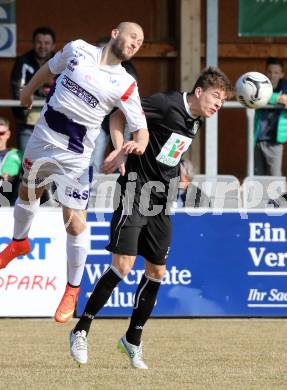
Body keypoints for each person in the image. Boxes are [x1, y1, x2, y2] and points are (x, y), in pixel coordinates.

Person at [69, 67, 233, 369]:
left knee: (157, 272)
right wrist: (119, 149)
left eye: (222, 101)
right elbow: (118, 113)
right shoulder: (165, 103)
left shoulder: (196, 120)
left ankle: (132, 340)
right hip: (134, 192)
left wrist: (177, 169)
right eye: (216, 98)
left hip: (162, 200)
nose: (218, 105)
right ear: (199, 92)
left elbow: (168, 148)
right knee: (122, 266)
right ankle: (81, 329)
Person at [0, 22, 148, 325]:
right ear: (115, 33)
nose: (136, 43)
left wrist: (129, 147)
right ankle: (19, 242)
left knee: (74, 223)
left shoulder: (125, 84)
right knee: (27, 192)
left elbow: (141, 131)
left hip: (75, 157)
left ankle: (72, 290)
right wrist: (27, 90)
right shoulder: (78, 49)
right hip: (43, 137)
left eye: (141, 41)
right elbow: (49, 68)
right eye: (133, 36)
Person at [11, 27, 56, 152]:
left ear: (53, 45)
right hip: (27, 123)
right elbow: (18, 90)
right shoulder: (23, 61)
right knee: (27, 166)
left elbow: (63, 92)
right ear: (33, 43)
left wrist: (33, 91)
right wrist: (43, 90)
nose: (43, 46)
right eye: (39, 42)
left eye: (47, 43)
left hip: (53, 125)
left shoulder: (60, 62)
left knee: (50, 165)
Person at [254, 57, 287, 176]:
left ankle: (276, 196)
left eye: (276, 72)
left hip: (275, 140)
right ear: (265, 73)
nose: (272, 75)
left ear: (282, 74)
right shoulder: (259, 86)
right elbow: (257, 96)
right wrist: (277, 98)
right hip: (258, 137)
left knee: (274, 176)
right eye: (270, 72)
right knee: (257, 175)